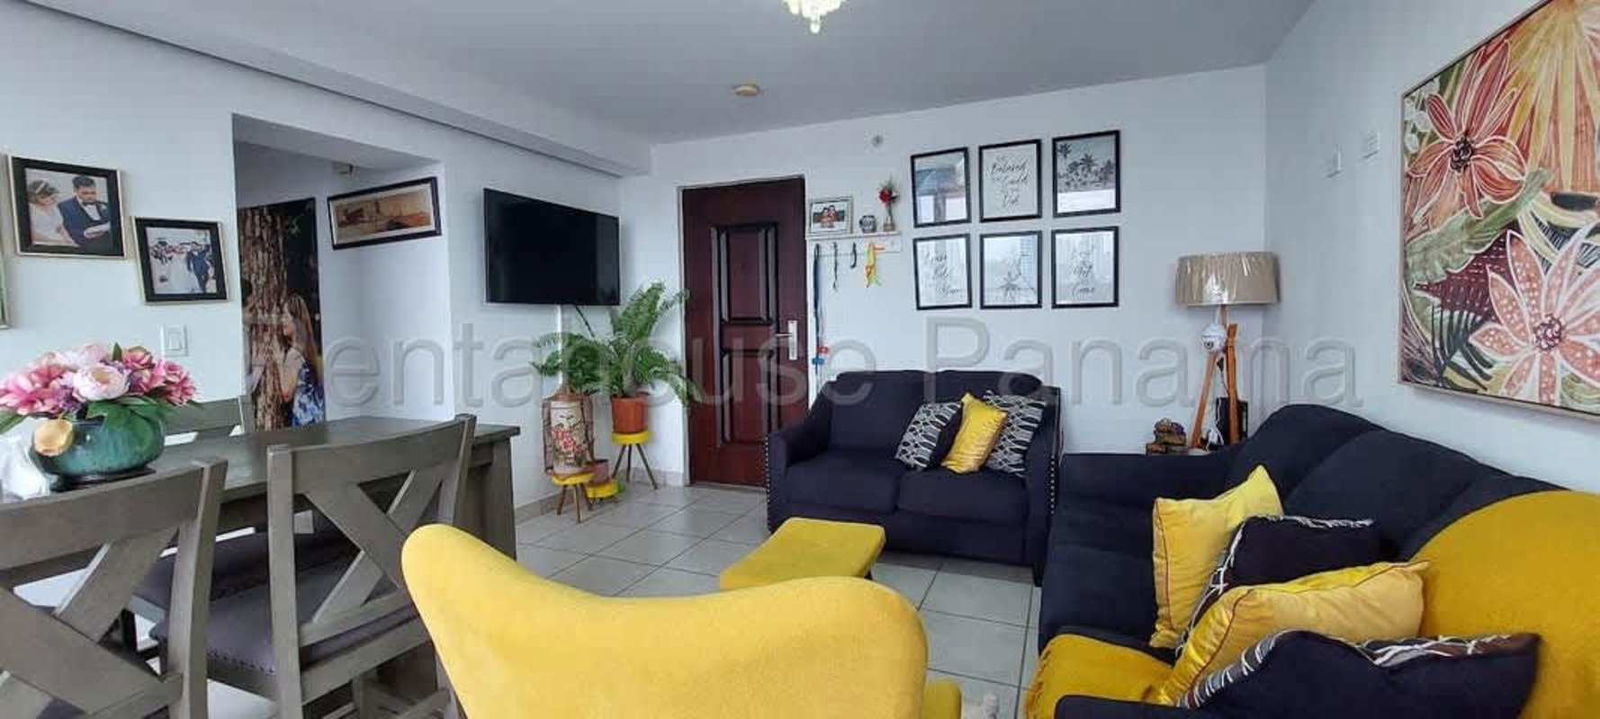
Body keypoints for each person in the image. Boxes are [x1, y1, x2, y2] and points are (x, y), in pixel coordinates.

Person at [278, 295, 326, 426]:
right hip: (317, 417)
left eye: (286, 316)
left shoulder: (294, 354)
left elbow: (286, 394)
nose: (282, 321)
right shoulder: (309, 350)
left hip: (302, 420)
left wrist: (279, 362)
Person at [57, 175, 116, 254]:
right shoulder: (64, 206)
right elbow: (65, 229)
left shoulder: (106, 205)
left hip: (109, 249)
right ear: (75, 190)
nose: (90, 196)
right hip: (83, 249)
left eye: (93, 193)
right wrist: (85, 234)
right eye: (85, 193)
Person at [25, 180, 74, 248]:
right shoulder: (31, 208)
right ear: (37, 197)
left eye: (53, 197)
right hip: (41, 243)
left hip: (59, 242)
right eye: (50, 198)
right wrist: (56, 242)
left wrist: (68, 240)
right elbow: (31, 234)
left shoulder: (53, 207)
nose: (53, 200)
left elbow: (60, 227)